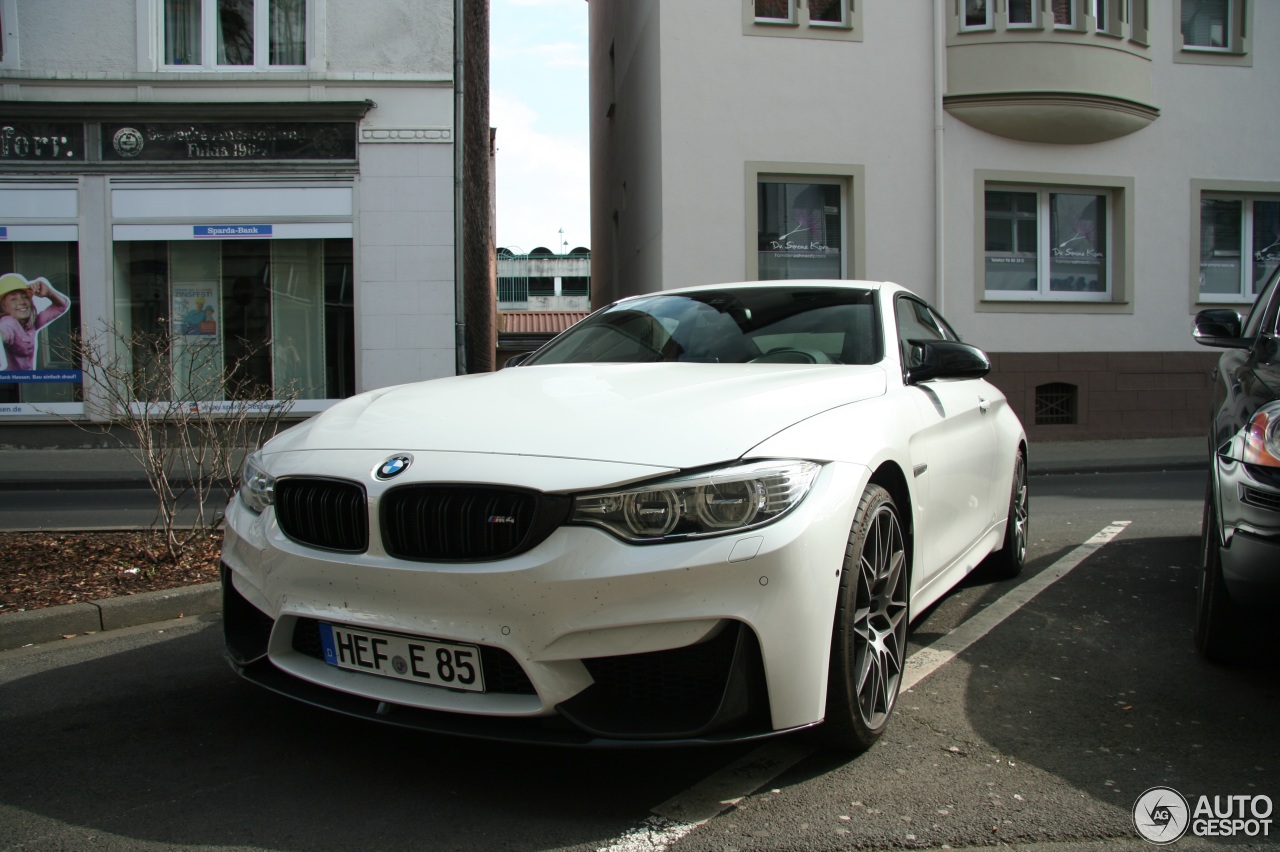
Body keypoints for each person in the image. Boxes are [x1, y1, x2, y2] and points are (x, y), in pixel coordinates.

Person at [0, 273, 71, 371]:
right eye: (13, 299)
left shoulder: (30, 324)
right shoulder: (8, 322)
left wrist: (49, 292)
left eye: (25, 297)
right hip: (11, 385)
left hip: (26, 382)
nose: (22, 302)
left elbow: (61, 306)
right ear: (3, 307)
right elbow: (4, 332)